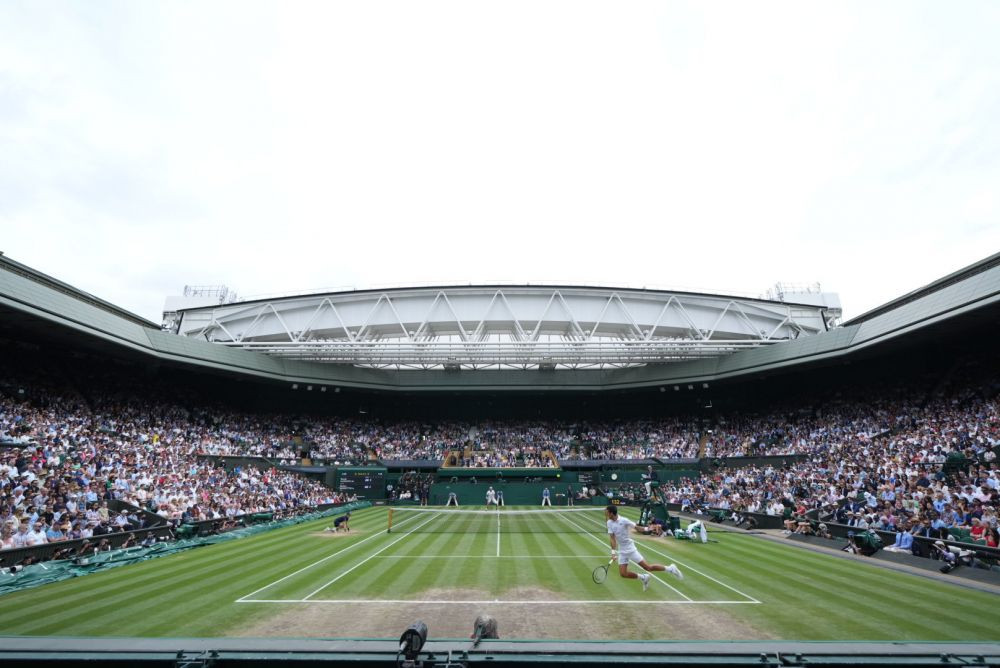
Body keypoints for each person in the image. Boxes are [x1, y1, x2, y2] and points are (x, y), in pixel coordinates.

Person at [605, 505, 683, 591]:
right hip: (622, 551)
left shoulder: (624, 520)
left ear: (612, 513)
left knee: (647, 567)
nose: (606, 514)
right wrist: (613, 552)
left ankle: (670, 568)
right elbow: (612, 538)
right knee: (623, 574)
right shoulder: (609, 523)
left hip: (630, 549)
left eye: (607, 512)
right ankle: (643, 577)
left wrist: (647, 528)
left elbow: (637, 527)